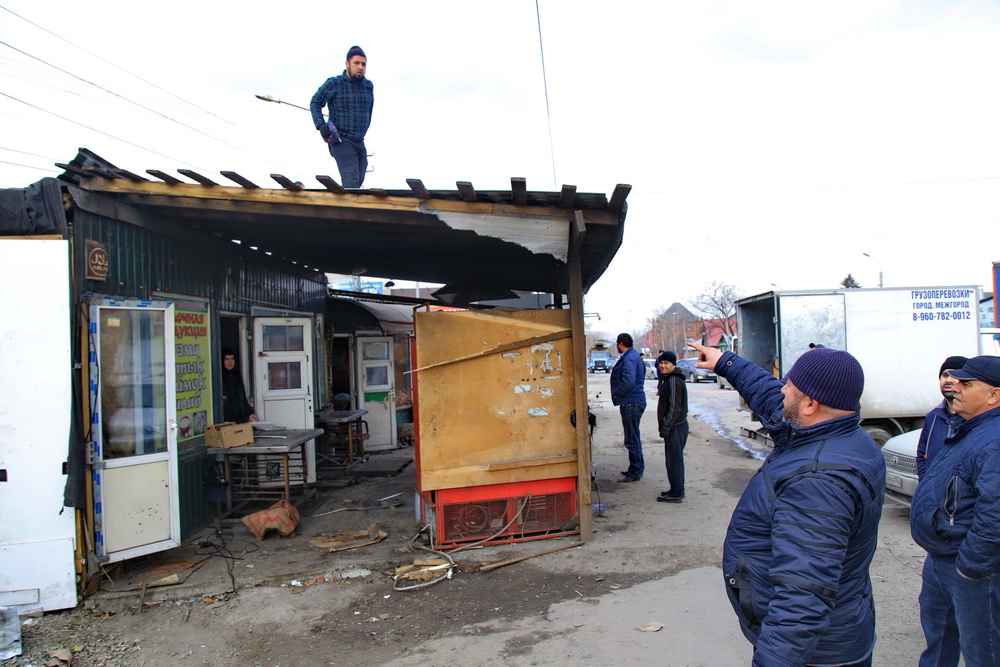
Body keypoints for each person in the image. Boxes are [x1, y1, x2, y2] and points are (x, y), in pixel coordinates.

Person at [689, 341, 885, 667]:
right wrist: (725, 362)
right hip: (842, 630)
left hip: (818, 655)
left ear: (810, 404)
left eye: (789, 388)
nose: (782, 392)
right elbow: (769, 395)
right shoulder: (841, 436)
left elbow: (803, 597)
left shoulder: (819, 481)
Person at [909, 355, 1000, 667]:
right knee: (938, 643)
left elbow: (995, 512)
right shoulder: (968, 427)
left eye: (967, 383)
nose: (954, 387)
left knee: (983, 652)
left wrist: (971, 565)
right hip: (941, 558)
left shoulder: (995, 438)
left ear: (994, 395)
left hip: (970, 569)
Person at [309, 45, 374, 189]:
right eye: (356, 63)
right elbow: (315, 103)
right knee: (351, 181)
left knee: (358, 181)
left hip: (359, 140)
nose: (360, 67)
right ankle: (351, 210)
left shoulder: (368, 86)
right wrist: (321, 125)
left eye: (363, 64)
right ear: (347, 64)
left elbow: (369, 110)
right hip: (341, 139)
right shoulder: (335, 83)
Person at [915, 355, 968, 479]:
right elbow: (922, 456)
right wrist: (925, 482)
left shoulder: (974, 418)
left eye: (954, 375)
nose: (948, 380)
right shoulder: (932, 417)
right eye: (945, 375)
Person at [610, 333, 646, 483]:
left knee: (632, 439)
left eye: (617, 344)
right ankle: (634, 468)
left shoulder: (629, 357)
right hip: (633, 401)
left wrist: (617, 393)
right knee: (632, 437)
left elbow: (629, 381)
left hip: (631, 402)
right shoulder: (633, 355)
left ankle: (636, 471)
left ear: (620, 343)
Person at [655, 351, 688, 503]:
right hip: (675, 427)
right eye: (661, 363)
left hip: (676, 427)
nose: (663, 365)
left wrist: (667, 426)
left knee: (674, 461)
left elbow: (674, 407)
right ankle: (675, 488)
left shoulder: (674, 381)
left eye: (666, 363)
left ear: (673, 365)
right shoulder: (669, 379)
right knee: (673, 460)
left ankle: (677, 493)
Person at [220, 348, 259, 423]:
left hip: (239, 418)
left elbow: (242, 397)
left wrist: (250, 413)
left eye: (232, 359)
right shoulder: (219, 378)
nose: (230, 362)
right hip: (226, 419)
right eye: (227, 359)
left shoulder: (237, 376)